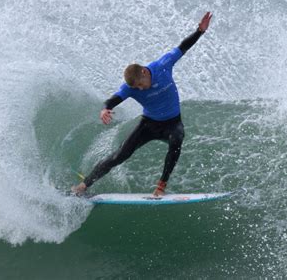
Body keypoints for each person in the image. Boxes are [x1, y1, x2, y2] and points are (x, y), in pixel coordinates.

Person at [71, 12, 213, 196]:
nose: (139, 89)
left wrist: (199, 31)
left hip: (172, 123)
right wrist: (106, 108)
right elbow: (115, 98)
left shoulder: (163, 65)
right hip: (148, 124)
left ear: (145, 73)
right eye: (135, 87)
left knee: (177, 140)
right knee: (119, 156)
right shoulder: (131, 88)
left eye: (140, 85)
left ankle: (161, 187)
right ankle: (83, 187)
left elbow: (182, 47)